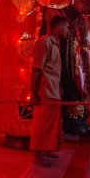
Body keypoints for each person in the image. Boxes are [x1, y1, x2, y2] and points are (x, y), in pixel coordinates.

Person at [29, 15, 70, 167]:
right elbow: (35, 71)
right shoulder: (44, 43)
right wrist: (33, 94)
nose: (67, 31)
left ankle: (45, 149)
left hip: (53, 91)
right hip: (44, 92)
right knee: (42, 125)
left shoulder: (54, 44)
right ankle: (37, 154)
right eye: (66, 28)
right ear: (59, 28)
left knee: (51, 125)